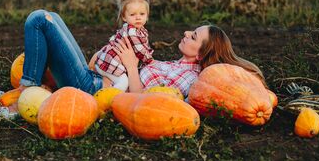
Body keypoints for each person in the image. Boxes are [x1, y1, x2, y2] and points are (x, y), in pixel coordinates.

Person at [111, 24, 265, 96]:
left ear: (200, 55)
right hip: (109, 80)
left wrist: (131, 66)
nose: (186, 32)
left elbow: (143, 99)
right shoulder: (177, 65)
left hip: (108, 94)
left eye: (193, 36)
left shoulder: (189, 77)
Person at [95, 0, 153, 91]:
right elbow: (140, 50)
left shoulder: (138, 29)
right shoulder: (132, 31)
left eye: (142, 14)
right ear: (124, 17)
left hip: (108, 61)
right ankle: (110, 99)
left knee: (116, 80)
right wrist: (149, 59)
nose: (138, 17)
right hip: (111, 63)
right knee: (123, 82)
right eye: (132, 14)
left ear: (147, 16)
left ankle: (106, 86)